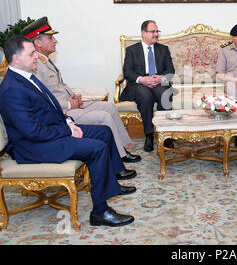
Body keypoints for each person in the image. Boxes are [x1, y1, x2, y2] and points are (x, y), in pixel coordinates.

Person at [0, 35, 137, 227]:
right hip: (34, 147)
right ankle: (100, 212)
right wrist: (66, 130)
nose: (35, 57)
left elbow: (52, 107)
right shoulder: (11, 88)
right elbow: (32, 131)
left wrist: (68, 121)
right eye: (31, 53)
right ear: (16, 58)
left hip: (48, 134)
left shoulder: (28, 77)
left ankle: (110, 184)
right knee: (96, 148)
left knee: (104, 131)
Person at [20, 17, 141, 164]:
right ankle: (116, 158)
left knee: (110, 106)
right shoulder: (36, 64)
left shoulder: (44, 60)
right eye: (50, 37)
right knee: (104, 117)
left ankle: (121, 148)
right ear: (38, 42)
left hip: (70, 104)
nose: (55, 41)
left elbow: (59, 86)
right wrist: (70, 104)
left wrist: (74, 96)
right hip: (62, 111)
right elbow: (44, 98)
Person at [120, 20, 176, 152]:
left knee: (164, 94)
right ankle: (149, 135)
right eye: (153, 31)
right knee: (145, 96)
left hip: (158, 81)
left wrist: (161, 78)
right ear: (143, 33)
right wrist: (142, 79)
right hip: (140, 83)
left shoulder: (163, 49)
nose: (156, 34)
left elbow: (170, 70)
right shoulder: (132, 50)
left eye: (157, 31)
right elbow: (127, 72)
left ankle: (166, 135)